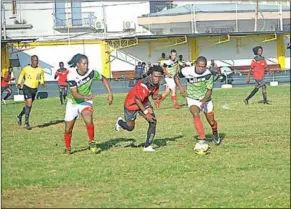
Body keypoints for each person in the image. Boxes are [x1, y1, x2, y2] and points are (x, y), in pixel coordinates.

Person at [63, 53, 113, 154]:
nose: (86, 66)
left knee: (88, 120)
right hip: (73, 103)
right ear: (78, 65)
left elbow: (103, 78)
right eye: (84, 64)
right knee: (68, 129)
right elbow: (75, 94)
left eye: (87, 63)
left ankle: (92, 141)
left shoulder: (92, 73)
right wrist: (87, 96)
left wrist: (110, 93)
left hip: (86, 102)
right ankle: (68, 148)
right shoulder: (71, 76)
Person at [175, 56, 221, 155]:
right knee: (195, 114)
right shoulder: (186, 71)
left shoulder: (209, 74)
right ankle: (202, 138)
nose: (201, 69)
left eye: (203, 67)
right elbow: (176, 76)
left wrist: (203, 101)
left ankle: (215, 132)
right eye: (199, 66)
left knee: (212, 122)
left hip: (206, 100)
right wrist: (180, 88)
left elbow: (209, 90)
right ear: (195, 64)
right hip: (192, 98)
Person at [114, 65, 164, 152]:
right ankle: (120, 122)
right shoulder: (144, 85)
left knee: (153, 121)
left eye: (159, 77)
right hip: (131, 104)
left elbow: (153, 96)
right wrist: (145, 113)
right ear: (150, 75)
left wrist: (158, 96)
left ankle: (147, 146)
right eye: (155, 76)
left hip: (143, 102)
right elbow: (137, 100)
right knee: (130, 128)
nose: (157, 78)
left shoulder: (156, 84)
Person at [16, 55, 45, 130]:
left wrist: (42, 82)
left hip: (34, 89)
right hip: (26, 87)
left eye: (37, 60)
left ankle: (19, 116)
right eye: (35, 60)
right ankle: (26, 123)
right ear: (31, 61)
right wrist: (19, 83)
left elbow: (42, 77)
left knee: (28, 105)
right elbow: (21, 75)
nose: (36, 62)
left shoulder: (40, 70)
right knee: (29, 103)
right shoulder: (26, 69)